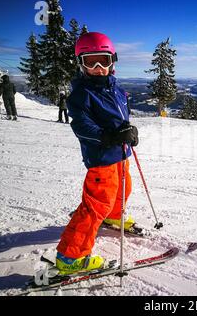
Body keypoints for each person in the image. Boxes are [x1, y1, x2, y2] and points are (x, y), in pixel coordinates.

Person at [55, 32, 139, 275]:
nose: (98, 67)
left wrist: (129, 131)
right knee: (96, 205)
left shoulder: (118, 89)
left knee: (124, 187)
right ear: (81, 64)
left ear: (113, 60)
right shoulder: (81, 94)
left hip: (120, 154)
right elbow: (82, 127)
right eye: (91, 62)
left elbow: (121, 118)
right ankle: (71, 257)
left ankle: (113, 216)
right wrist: (109, 137)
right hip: (101, 158)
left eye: (103, 60)